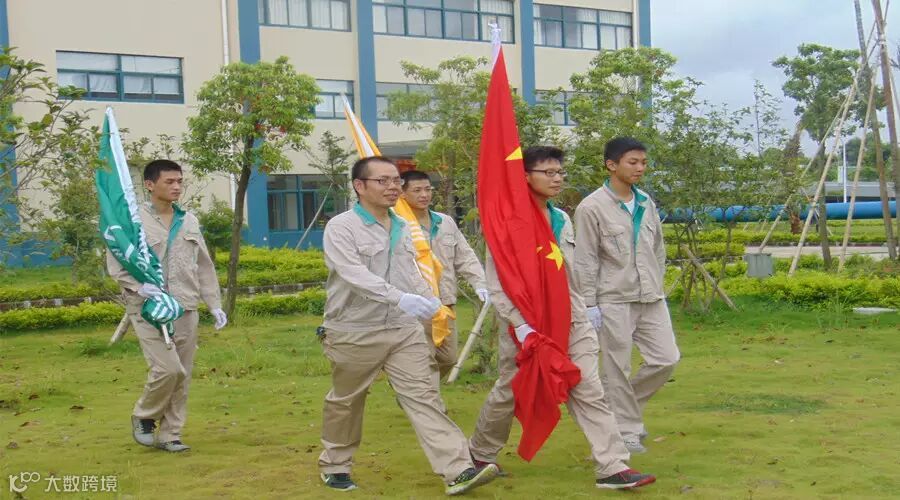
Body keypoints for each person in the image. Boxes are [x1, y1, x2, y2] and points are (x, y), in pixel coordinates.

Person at [469, 146, 656, 490]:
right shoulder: (510, 225)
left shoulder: (561, 219)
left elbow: (571, 274)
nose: (557, 179)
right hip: (527, 325)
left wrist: (585, 309)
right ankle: (480, 452)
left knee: (589, 389)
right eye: (548, 173)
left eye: (560, 173)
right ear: (525, 176)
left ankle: (612, 466)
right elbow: (498, 283)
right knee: (512, 390)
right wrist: (520, 325)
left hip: (571, 320)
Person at [317, 156, 499, 495]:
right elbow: (353, 274)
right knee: (347, 401)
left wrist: (426, 299)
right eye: (383, 181)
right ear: (359, 186)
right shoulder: (341, 227)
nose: (393, 187)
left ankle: (457, 469)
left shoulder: (402, 224)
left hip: (403, 329)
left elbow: (411, 271)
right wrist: (399, 298)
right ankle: (336, 464)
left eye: (395, 181)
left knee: (424, 396)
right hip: (355, 330)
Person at [107, 159, 227, 453]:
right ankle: (144, 415)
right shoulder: (132, 223)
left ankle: (170, 434)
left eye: (179, 181)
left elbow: (203, 265)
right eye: (169, 182)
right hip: (148, 307)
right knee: (167, 369)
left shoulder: (189, 220)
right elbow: (116, 263)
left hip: (185, 305)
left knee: (182, 374)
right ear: (149, 185)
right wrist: (139, 287)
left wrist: (214, 303)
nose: (176, 187)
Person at [573, 137, 680, 454]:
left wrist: (657, 283)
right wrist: (589, 304)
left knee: (666, 359)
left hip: (651, 297)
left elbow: (657, 249)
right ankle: (626, 431)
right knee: (616, 369)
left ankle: (618, 412)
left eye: (643, 162)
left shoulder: (645, 201)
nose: (640, 168)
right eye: (633, 162)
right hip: (612, 300)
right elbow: (586, 259)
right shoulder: (591, 207)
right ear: (611, 165)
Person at [399, 170, 489, 380]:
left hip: (445, 303)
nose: (424, 195)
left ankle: (418, 390)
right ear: (403, 194)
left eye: (427, 189)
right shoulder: (399, 225)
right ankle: (422, 395)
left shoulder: (445, 222)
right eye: (417, 190)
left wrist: (479, 282)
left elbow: (465, 256)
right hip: (416, 305)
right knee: (423, 359)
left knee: (448, 358)